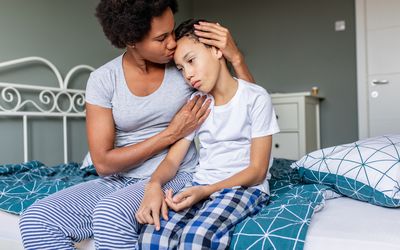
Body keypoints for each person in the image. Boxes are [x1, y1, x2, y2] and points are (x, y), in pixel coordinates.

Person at [18, 1, 254, 249]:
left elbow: (244, 106)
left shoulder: (183, 67)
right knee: (36, 220)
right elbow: (103, 163)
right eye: (161, 38)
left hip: (176, 173)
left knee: (110, 214)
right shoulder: (103, 80)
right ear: (131, 40)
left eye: (172, 32)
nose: (172, 43)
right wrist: (170, 133)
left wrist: (235, 57)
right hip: (119, 178)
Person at [137, 19, 280, 249]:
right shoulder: (197, 103)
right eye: (182, 69)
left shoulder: (256, 97)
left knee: (196, 237)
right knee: (152, 236)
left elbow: (257, 171)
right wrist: (154, 184)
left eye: (191, 61)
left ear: (216, 50)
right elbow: (173, 160)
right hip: (201, 184)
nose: (188, 75)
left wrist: (206, 191)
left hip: (243, 188)